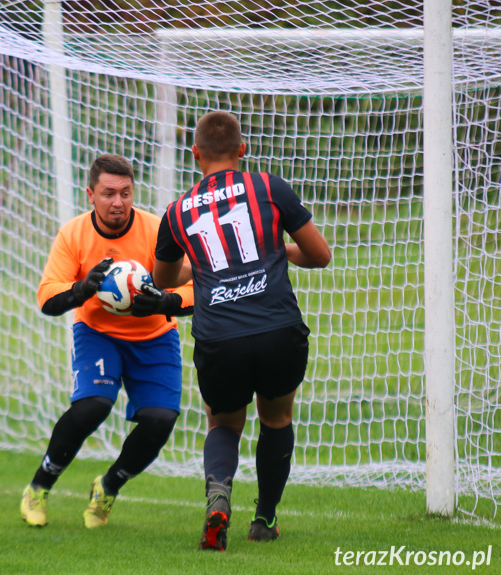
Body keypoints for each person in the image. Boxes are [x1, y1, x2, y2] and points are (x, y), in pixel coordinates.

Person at [151, 111, 330, 551]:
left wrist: (211, 266)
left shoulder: (177, 211)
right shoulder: (269, 188)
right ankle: (265, 520)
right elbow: (320, 255)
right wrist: (273, 249)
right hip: (278, 331)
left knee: (224, 424)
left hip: (219, 340)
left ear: (195, 154)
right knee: (276, 418)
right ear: (242, 150)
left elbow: (164, 279)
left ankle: (218, 499)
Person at [20, 154, 194, 529]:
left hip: (155, 336)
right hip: (97, 333)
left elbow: (196, 285)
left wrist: (166, 301)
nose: (118, 201)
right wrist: (83, 289)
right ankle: (40, 485)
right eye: (108, 193)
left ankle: (109, 486)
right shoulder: (74, 234)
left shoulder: (157, 230)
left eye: (126, 193)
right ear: (90, 195)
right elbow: (48, 298)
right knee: (93, 404)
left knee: (160, 420)